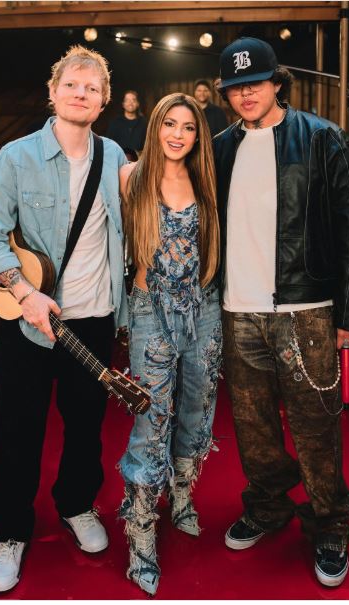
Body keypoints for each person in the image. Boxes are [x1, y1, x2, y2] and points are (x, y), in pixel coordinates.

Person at [213, 37, 349, 588]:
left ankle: (330, 522)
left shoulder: (322, 138)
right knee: (252, 425)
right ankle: (268, 505)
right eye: (236, 87)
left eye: (255, 82)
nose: (246, 94)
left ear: (277, 82)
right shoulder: (220, 148)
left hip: (306, 310)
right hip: (238, 309)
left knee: (315, 427)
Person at [0, 45, 127, 592]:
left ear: (104, 100)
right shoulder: (15, 157)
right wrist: (24, 293)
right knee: (17, 429)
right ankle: (10, 532)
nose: (81, 94)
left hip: (94, 319)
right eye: (71, 85)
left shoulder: (115, 156)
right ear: (53, 92)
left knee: (86, 426)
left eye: (92, 88)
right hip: (29, 321)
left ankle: (77, 505)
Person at [118, 92, 222, 596]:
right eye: (170, 124)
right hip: (149, 310)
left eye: (188, 127)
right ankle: (141, 532)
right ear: (155, 126)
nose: (178, 134)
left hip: (204, 307)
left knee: (198, 406)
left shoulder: (205, 179)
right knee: (152, 416)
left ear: (198, 135)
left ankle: (181, 494)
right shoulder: (129, 177)